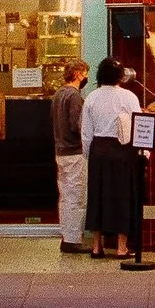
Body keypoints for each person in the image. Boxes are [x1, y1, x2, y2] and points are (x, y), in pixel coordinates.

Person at [80, 56, 140, 259]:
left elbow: (86, 132)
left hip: (99, 150)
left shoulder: (92, 98)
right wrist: (144, 153)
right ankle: (122, 247)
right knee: (123, 197)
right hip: (122, 150)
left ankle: (97, 246)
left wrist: (89, 154)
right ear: (120, 76)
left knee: (97, 196)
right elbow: (138, 125)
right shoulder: (129, 97)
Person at [51, 61, 89, 255]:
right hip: (74, 152)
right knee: (77, 197)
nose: (86, 77)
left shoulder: (58, 94)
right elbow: (77, 125)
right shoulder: (74, 96)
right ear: (77, 73)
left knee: (65, 196)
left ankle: (66, 235)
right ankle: (73, 239)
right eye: (85, 73)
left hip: (61, 151)